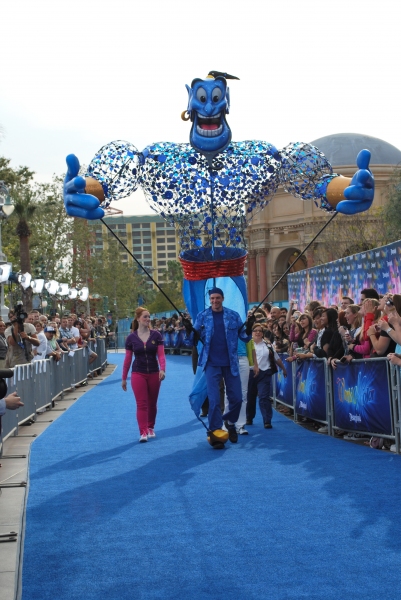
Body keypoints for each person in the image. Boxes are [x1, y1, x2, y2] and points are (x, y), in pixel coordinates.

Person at [185, 287, 253, 448]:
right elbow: (192, 341)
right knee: (214, 400)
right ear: (210, 300)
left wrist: (249, 327)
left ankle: (230, 422)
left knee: (237, 397)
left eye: (217, 298)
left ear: (222, 298)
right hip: (211, 363)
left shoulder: (233, 315)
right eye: (212, 298)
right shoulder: (203, 316)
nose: (215, 301)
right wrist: (189, 330)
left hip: (230, 363)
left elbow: (244, 336)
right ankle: (215, 432)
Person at [122, 307, 166, 443]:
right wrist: (124, 378)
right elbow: (128, 359)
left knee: (152, 403)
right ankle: (143, 431)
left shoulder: (156, 335)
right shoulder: (131, 338)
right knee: (141, 403)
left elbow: (161, 355)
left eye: (149, 317)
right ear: (138, 319)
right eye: (145, 317)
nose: (148, 319)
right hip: (138, 372)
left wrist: (162, 369)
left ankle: (150, 426)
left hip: (154, 372)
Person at [251, 323, 287, 428]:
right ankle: (249, 417)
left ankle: (267, 420)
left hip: (265, 373)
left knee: (263, 396)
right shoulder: (248, 344)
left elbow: (276, 358)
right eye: (255, 330)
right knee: (250, 396)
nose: (258, 332)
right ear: (252, 333)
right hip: (250, 373)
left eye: (260, 331)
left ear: (262, 333)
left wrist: (283, 368)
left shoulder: (268, 345)